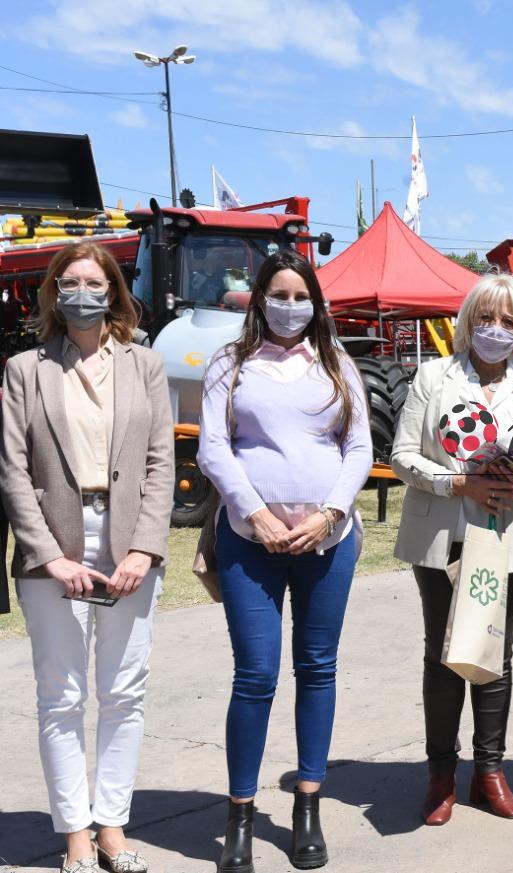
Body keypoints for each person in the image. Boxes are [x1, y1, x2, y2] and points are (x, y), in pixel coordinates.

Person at [1, 242, 174, 873]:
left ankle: (113, 829)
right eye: (69, 282)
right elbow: (13, 471)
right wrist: (49, 557)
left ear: (113, 292)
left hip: (128, 539)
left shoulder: (146, 365)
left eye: (93, 282)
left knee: (124, 693)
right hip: (54, 544)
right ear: (52, 292)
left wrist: (144, 548)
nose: (82, 292)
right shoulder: (26, 369)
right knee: (62, 696)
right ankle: (74, 834)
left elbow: (161, 462)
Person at [198, 249, 373, 873]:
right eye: (280, 294)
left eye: (302, 297)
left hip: (329, 540)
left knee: (317, 668)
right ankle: (240, 814)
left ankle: (307, 806)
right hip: (253, 541)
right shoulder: (231, 361)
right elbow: (214, 448)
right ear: (259, 298)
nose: (290, 307)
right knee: (255, 675)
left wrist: (330, 513)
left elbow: (359, 447)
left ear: (315, 302)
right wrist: (258, 515)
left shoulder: (336, 361)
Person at [390, 274, 513, 826]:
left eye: (509, 321)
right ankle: (441, 774)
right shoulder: (433, 377)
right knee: (443, 652)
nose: (496, 330)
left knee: (494, 653)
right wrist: (457, 484)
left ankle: (490, 771)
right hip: (443, 534)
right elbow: (404, 456)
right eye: (486, 317)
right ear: (467, 320)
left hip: (503, 535)